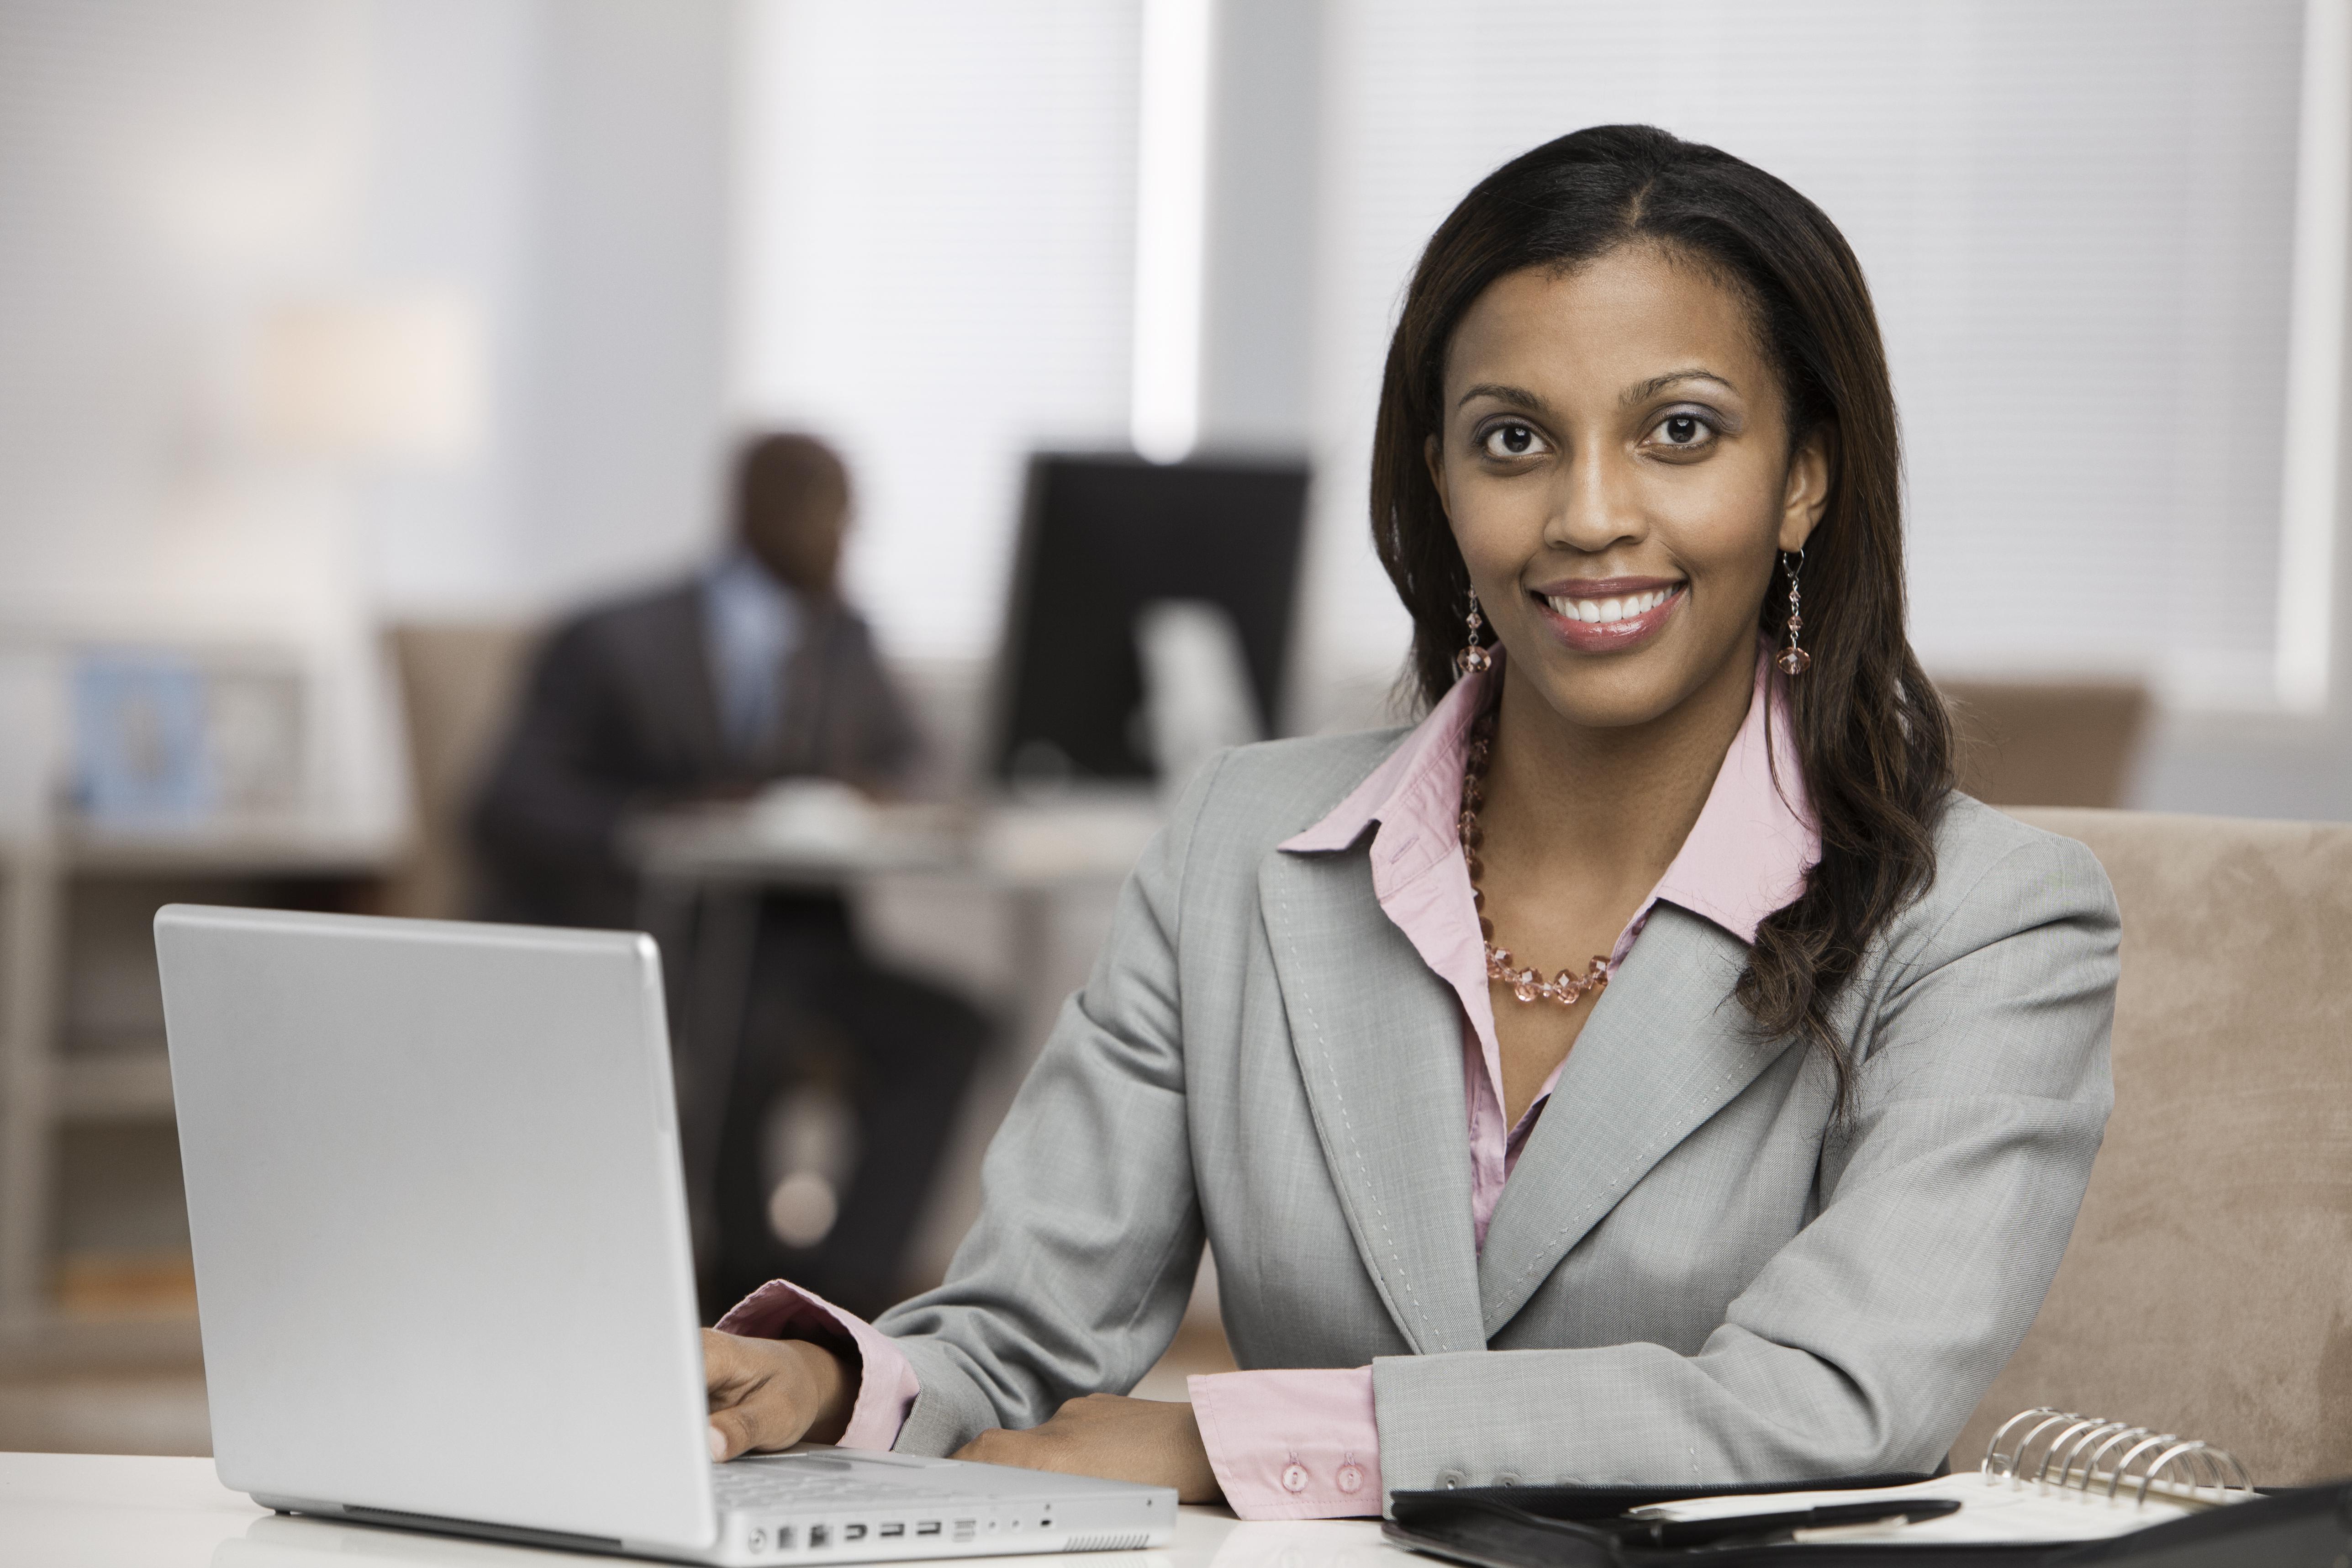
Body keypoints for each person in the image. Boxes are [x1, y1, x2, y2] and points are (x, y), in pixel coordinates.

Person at [694, 127, 2119, 1518]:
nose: (1588, 514)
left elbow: (1824, 1399)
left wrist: (1238, 1441)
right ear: (1439, 480)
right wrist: (821, 1383)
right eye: (1512, 440)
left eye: (1678, 431)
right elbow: (1023, 1345)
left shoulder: (1988, 918)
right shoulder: (1237, 843)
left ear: (1803, 475)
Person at [470, 432, 988, 1322]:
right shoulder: (612, 638)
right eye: (826, 515)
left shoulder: (843, 637)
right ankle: (737, 1294)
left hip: (804, 948)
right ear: (755, 513)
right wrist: (656, 822)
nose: (842, 539)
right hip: (648, 942)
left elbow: (916, 763)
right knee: (743, 1036)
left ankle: (837, 1296)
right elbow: (505, 801)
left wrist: (874, 793)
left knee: (951, 1028)